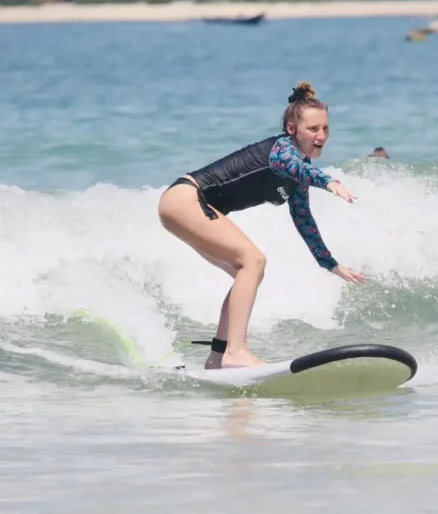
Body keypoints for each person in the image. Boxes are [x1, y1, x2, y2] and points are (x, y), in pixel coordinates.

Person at [157, 81, 366, 370]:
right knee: (252, 261)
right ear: (293, 129)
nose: (321, 136)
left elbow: (304, 219)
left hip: (190, 205)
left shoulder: (296, 174)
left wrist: (329, 263)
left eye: (325, 129)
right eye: (313, 129)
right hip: (186, 199)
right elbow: (297, 168)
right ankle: (236, 352)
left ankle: (219, 355)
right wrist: (329, 182)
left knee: (249, 272)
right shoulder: (281, 151)